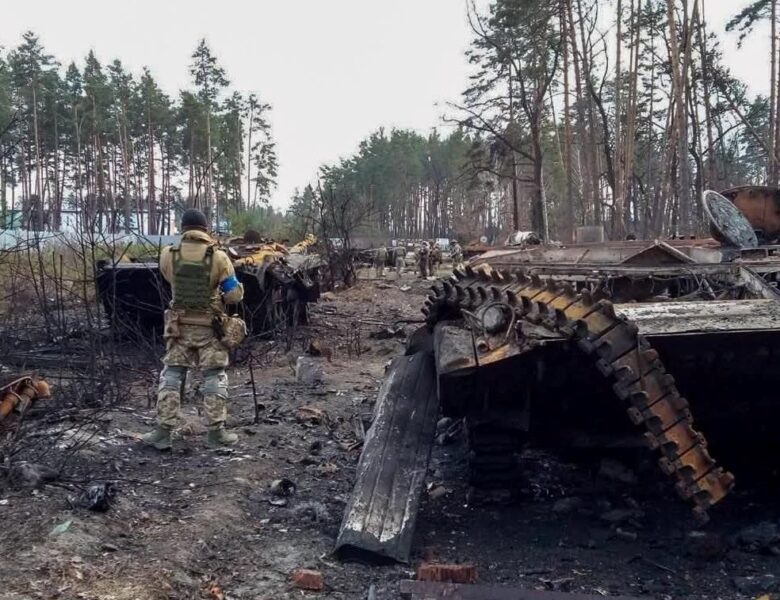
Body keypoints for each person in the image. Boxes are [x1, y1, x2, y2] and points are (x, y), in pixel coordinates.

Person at [142, 208, 245, 450]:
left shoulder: (169, 254)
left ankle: (163, 432)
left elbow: (169, 279)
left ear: (183, 228)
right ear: (205, 229)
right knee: (213, 377)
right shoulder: (219, 258)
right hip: (210, 329)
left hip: (178, 328)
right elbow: (233, 296)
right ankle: (216, 433)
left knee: (172, 375)